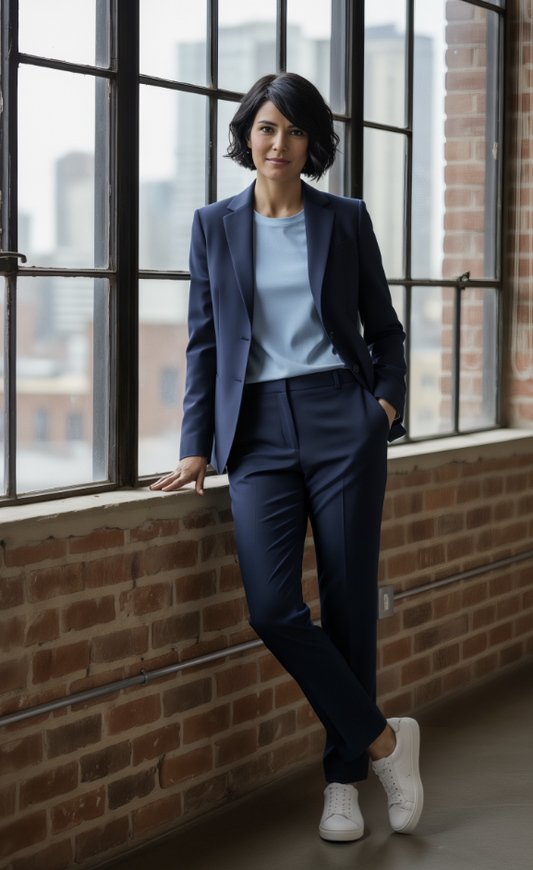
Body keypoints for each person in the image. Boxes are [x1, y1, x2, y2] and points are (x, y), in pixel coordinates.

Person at [151, 72, 423, 842]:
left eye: (295, 131)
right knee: (272, 609)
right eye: (267, 129)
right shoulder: (213, 225)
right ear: (246, 137)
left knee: (347, 606)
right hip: (258, 433)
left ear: (312, 144)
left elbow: (384, 328)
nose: (279, 144)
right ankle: (383, 743)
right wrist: (195, 445)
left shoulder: (344, 219)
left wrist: (385, 406)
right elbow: (204, 342)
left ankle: (342, 784)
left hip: (343, 418)